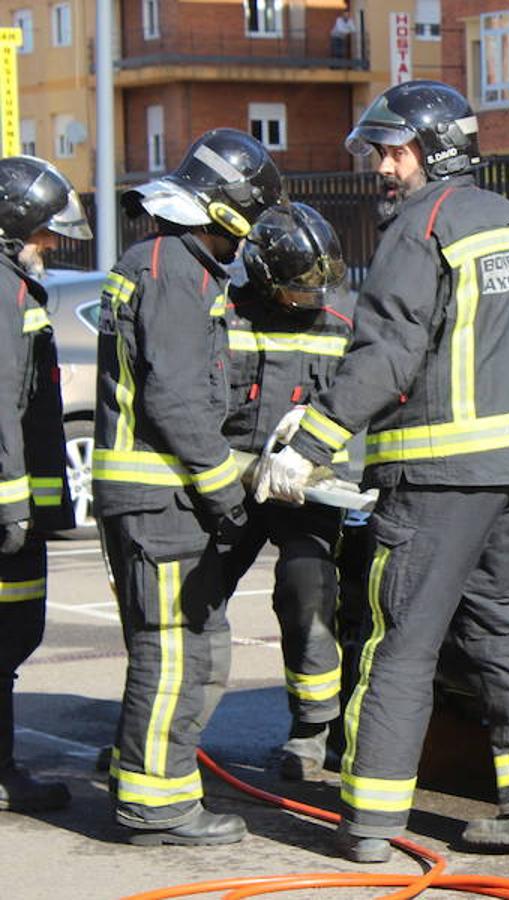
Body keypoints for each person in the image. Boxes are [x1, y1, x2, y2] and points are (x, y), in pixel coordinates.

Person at [251, 80, 509, 864]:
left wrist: (306, 447)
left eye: (392, 149)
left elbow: (385, 356)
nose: (380, 165)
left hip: (440, 476)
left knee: (399, 641)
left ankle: (371, 821)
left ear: (433, 149)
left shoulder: (421, 230)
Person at [95, 128, 284, 846]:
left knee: (174, 642)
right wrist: (226, 493)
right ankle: (157, 805)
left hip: (145, 496)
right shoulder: (179, 271)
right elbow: (175, 399)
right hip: (160, 497)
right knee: (174, 649)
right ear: (228, 210)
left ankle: (143, 779)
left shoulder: (155, 259)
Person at [220, 202, 355, 781]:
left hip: (307, 490)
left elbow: (359, 416)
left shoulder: (341, 325)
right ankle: (157, 735)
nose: (309, 298)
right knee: (187, 604)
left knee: (307, 590)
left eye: (317, 287)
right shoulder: (222, 317)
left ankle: (312, 730)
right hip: (226, 481)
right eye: (298, 289)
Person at [0, 156, 89, 812]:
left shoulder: (13, 286)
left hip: (21, 500)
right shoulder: (2, 291)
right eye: (43, 233)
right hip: (6, 507)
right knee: (6, 634)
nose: (52, 245)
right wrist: (11, 500)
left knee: (14, 635)